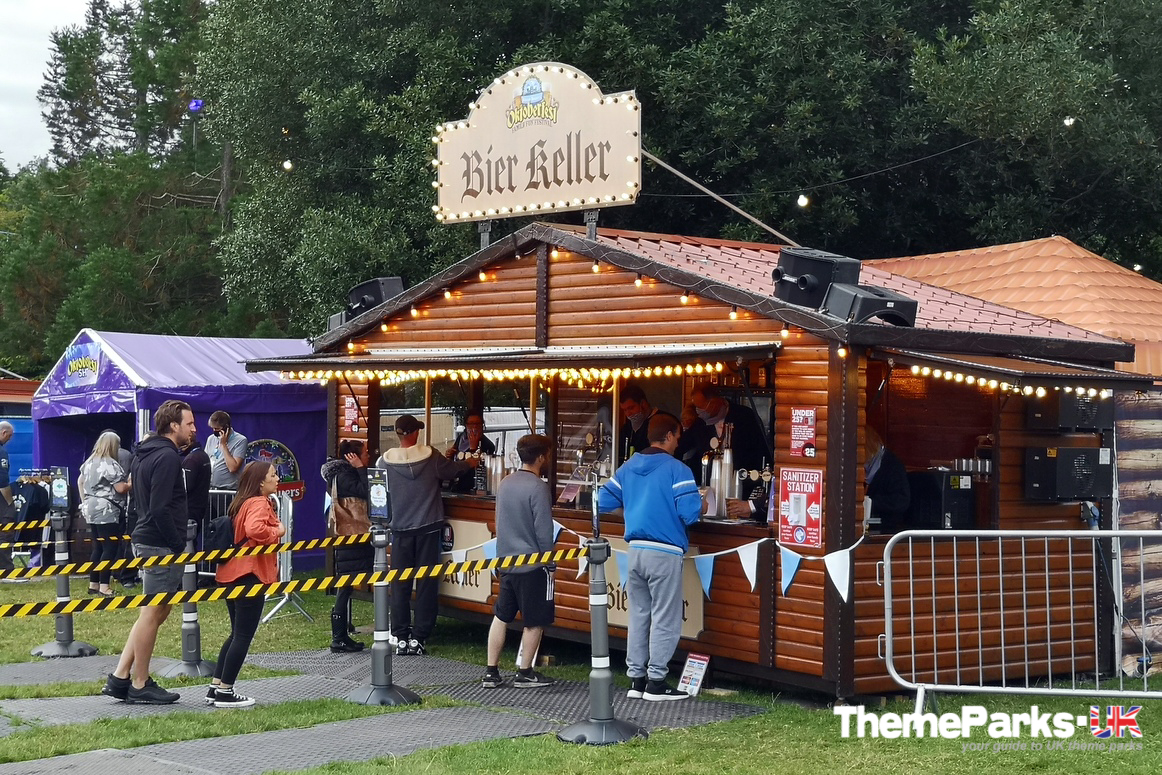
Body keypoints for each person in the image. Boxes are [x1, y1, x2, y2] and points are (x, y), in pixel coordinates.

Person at [597, 413, 702, 701]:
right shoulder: (678, 469)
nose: (678, 442)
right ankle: (657, 682)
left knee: (639, 615)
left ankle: (636, 680)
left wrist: (632, 510)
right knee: (665, 617)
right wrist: (703, 501)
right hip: (665, 551)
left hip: (635, 551)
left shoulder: (628, 467)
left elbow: (602, 501)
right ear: (668, 436)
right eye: (677, 436)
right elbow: (690, 513)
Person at [102, 400, 195, 705]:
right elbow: (158, 507)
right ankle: (139, 682)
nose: (193, 429)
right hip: (159, 542)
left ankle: (121, 676)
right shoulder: (167, 456)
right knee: (152, 612)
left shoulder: (146, 453)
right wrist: (177, 543)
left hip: (147, 538)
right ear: (173, 426)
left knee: (155, 611)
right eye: (189, 423)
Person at [376, 414, 474, 655]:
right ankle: (419, 637)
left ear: (398, 434)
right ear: (415, 433)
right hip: (428, 527)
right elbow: (452, 471)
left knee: (400, 584)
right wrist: (470, 463)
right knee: (427, 583)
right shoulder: (431, 457)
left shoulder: (384, 462)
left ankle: (400, 636)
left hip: (400, 529)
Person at [205, 462, 286, 708]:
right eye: (273, 475)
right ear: (261, 482)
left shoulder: (242, 502)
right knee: (242, 636)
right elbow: (254, 529)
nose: (277, 478)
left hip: (230, 574)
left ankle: (216, 687)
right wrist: (277, 531)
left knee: (235, 634)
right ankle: (225, 691)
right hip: (249, 574)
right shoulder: (260, 503)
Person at [482, 434, 556, 689]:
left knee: (501, 616)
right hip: (533, 564)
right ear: (541, 457)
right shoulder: (538, 487)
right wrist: (550, 563)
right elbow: (544, 531)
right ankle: (525, 672)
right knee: (534, 621)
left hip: (507, 562)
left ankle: (491, 671)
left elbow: (500, 522)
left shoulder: (505, 483)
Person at [320, 439, 373, 652]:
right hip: (351, 537)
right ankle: (339, 637)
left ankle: (341, 635)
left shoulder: (338, 475)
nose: (368, 456)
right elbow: (367, 490)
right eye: (365, 453)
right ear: (353, 457)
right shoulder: (345, 477)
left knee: (346, 585)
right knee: (345, 586)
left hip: (348, 537)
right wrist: (361, 469)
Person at [78, 431, 130, 597]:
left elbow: (80, 481)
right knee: (109, 547)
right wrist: (131, 482)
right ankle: (104, 586)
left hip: (91, 508)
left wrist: (85, 500)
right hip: (106, 509)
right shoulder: (110, 463)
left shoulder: (89, 462)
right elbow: (120, 488)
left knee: (98, 547)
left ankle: (93, 584)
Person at [618, 383, 678, 464]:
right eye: (625, 410)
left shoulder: (665, 422)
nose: (628, 414)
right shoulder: (627, 429)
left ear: (643, 404)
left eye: (631, 408)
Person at [864, 426, 910, 533]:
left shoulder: (892, 466)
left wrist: (870, 502)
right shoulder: (869, 466)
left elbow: (901, 501)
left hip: (886, 528)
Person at [205, 411, 247, 518]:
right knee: (208, 522)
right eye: (213, 428)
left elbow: (233, 467)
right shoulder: (211, 439)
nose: (214, 431)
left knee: (224, 523)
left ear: (226, 428)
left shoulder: (240, 440)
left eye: (217, 429)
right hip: (211, 489)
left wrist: (223, 445)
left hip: (227, 491)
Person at [445, 410, 495, 493]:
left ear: (482, 425)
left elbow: (481, 470)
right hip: (457, 485)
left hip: (473, 488)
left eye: (477, 423)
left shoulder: (487, 444)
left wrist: (473, 449)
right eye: (471, 424)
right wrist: (450, 455)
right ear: (466, 425)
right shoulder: (461, 438)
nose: (474, 427)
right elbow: (456, 458)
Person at [0, 421, 19, 578]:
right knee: (6, 530)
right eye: (10, 436)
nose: (10, 439)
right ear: (3, 433)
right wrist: (10, 503)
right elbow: (2, 481)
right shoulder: (1, 452)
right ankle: (6, 568)